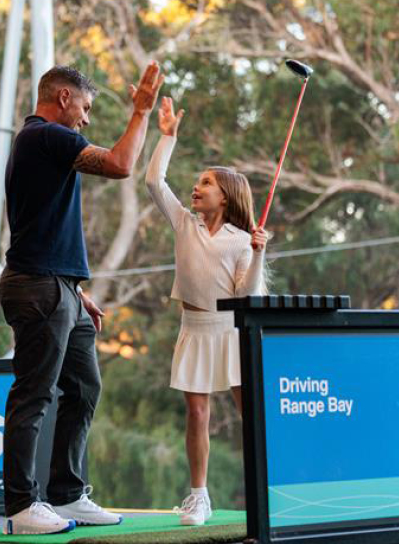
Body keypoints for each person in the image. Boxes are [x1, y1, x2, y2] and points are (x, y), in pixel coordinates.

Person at [0, 63, 164, 535]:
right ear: (64, 99)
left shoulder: (45, 144)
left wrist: (77, 289)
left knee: (85, 387)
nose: (87, 120)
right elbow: (121, 165)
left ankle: (68, 495)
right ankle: (20, 508)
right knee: (33, 395)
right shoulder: (43, 135)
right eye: (86, 109)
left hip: (62, 287)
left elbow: (43, 227)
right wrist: (142, 112)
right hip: (39, 287)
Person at [145, 97, 268, 526]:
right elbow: (153, 181)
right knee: (196, 413)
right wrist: (167, 137)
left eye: (206, 183)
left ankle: (265, 491)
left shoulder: (241, 239)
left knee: (251, 413)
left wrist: (256, 255)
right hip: (194, 326)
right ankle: (199, 496)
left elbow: (247, 294)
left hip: (231, 328)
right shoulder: (183, 222)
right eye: (197, 182)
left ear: (227, 196)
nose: (195, 188)